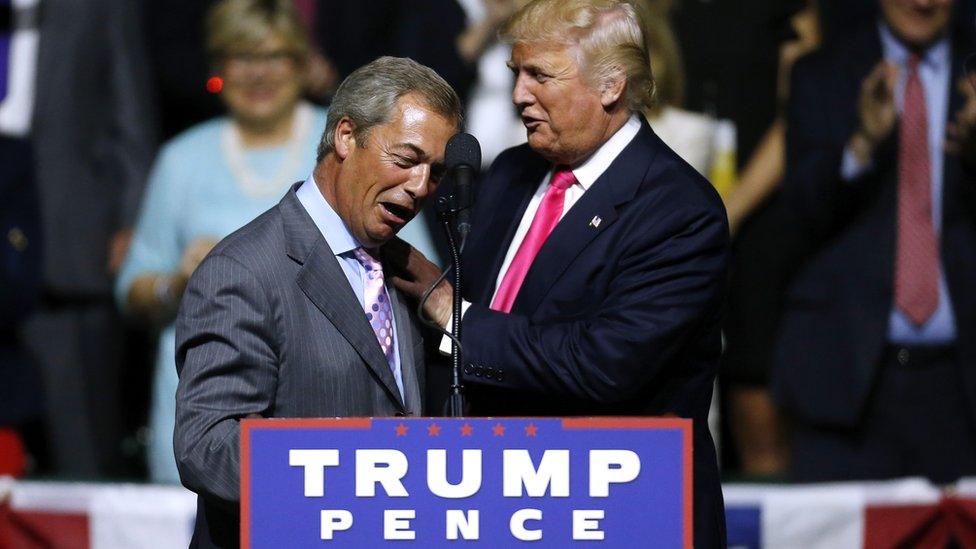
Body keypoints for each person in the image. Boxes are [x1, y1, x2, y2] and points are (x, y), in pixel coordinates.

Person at [390, 1, 729, 544]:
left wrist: (450, 311)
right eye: (515, 73)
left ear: (611, 84)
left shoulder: (679, 210)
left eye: (540, 75)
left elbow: (603, 366)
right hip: (502, 508)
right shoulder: (508, 173)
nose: (520, 94)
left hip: (623, 515)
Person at [173, 56, 460, 548]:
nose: (419, 188)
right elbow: (208, 446)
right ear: (346, 136)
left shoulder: (405, 270)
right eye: (407, 159)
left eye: (434, 173)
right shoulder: (244, 271)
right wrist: (349, 472)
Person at [116, 0, 327, 484]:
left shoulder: (342, 144)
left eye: (274, 55)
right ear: (218, 69)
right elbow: (132, 289)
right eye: (240, 56)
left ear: (301, 63)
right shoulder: (180, 158)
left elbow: (411, 273)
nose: (259, 73)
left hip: (316, 410)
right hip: (201, 410)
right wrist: (179, 282)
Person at [775, 0, 976, 482]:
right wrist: (860, 146)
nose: (923, 2)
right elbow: (797, 217)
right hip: (845, 382)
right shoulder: (822, 72)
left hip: (960, 388)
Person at [13, 0, 157, 478]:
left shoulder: (97, 8)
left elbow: (131, 118)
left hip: (67, 253)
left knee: (81, 451)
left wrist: (132, 222)